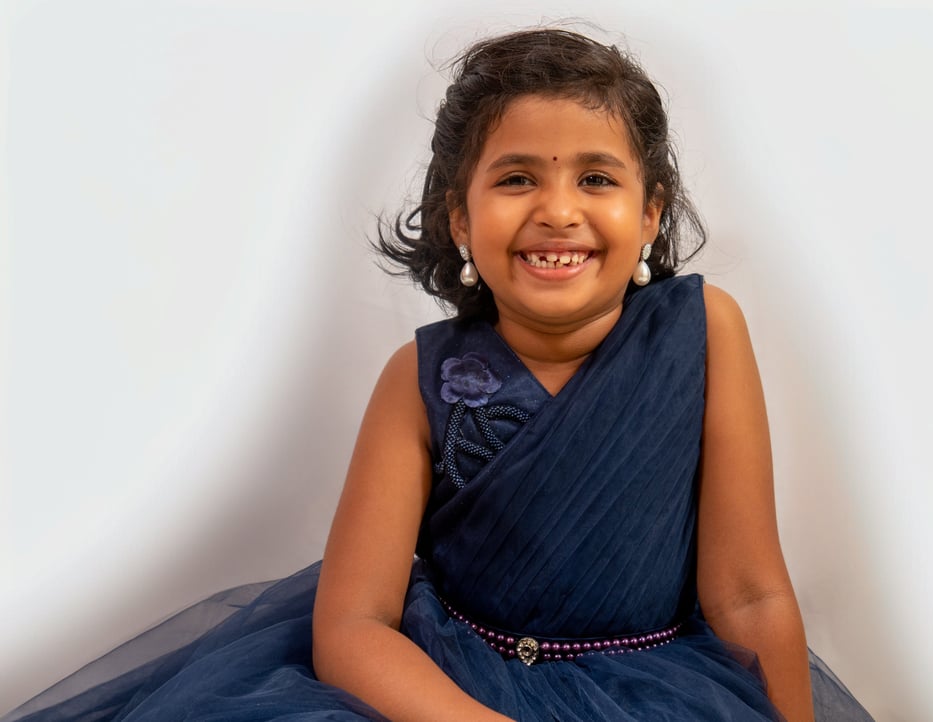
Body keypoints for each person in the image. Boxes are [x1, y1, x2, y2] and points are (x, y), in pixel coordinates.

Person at [4, 28, 873, 722]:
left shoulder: (705, 332)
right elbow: (351, 626)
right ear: (460, 216)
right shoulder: (418, 378)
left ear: (649, 213)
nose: (557, 209)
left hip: (657, 688)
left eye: (597, 178)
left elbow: (751, 592)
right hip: (445, 691)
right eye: (517, 177)